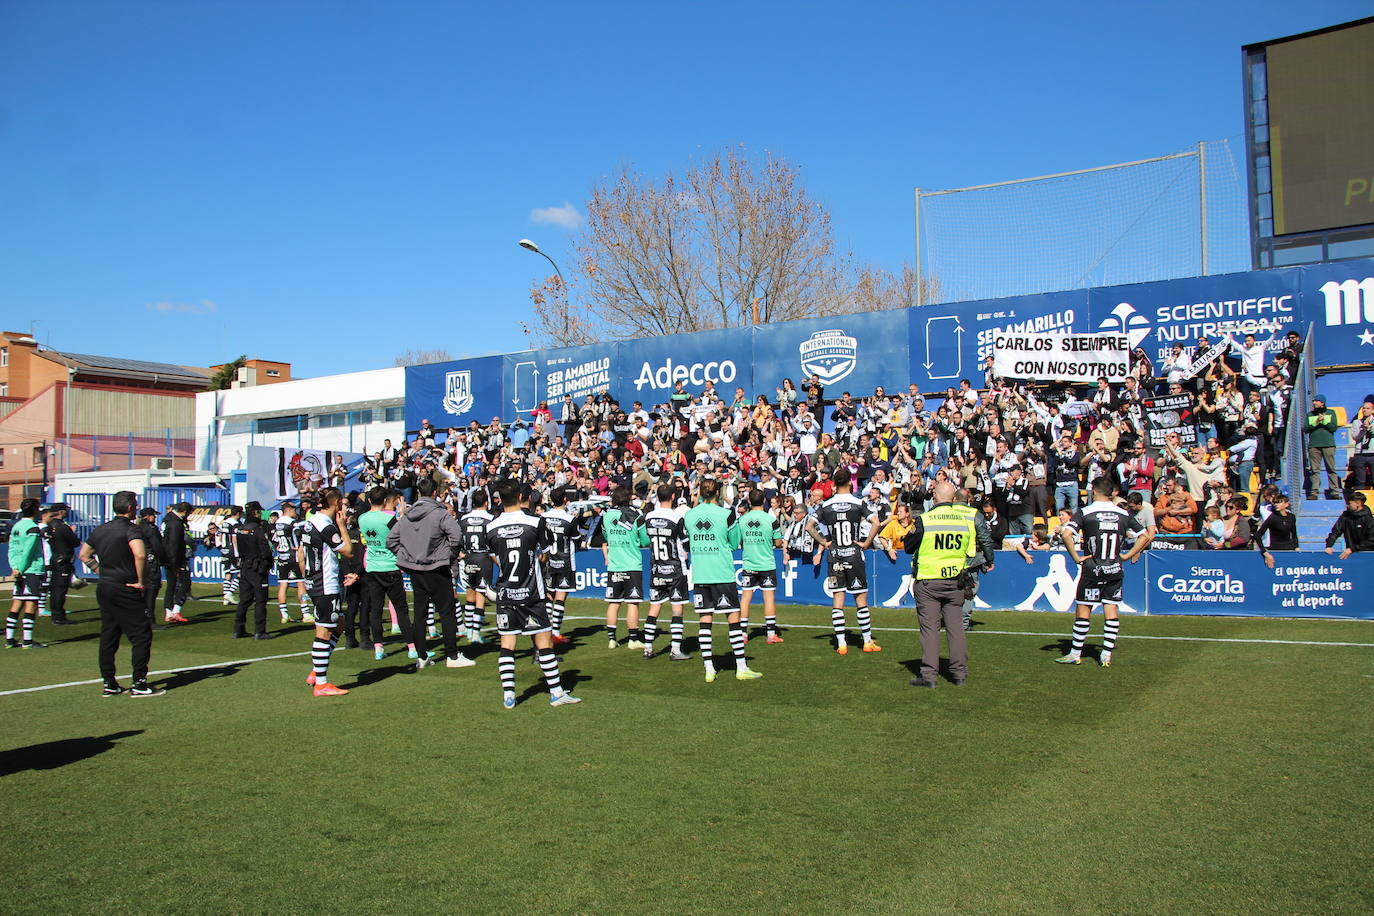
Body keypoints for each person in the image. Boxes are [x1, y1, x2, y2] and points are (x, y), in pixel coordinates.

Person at [487, 479, 582, 708]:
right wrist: (534, 559)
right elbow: (546, 553)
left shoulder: (491, 526)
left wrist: (507, 567)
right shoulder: (535, 522)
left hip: (506, 592)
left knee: (507, 643)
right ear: (521, 497)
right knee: (544, 641)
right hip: (531, 592)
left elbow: (493, 555)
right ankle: (557, 693)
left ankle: (509, 695)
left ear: (499, 498)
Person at [1055, 477, 1152, 667]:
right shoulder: (1123, 513)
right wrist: (1128, 554)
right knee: (1111, 607)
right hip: (1115, 567)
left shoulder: (1086, 511)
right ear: (1112, 493)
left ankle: (1075, 653)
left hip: (1093, 567)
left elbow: (1066, 534)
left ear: (1094, 491)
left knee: (1084, 608)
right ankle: (1106, 654)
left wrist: (1075, 557)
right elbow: (1146, 536)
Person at [79, 491, 163, 697]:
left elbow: (84, 554)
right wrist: (140, 580)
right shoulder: (132, 530)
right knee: (141, 635)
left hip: (106, 586)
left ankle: (109, 682)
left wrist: (101, 571)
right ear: (130, 508)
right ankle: (140, 683)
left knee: (109, 634)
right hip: (126, 587)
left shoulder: (101, 529)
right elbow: (140, 553)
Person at [387, 476, 474, 670]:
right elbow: (457, 536)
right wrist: (447, 555)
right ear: (434, 493)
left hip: (417, 570)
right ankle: (452, 655)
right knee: (446, 611)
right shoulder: (439, 513)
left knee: (420, 613)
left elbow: (391, 540)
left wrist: (407, 557)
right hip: (436, 568)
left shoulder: (408, 515)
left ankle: (422, 656)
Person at [683, 478, 761, 682]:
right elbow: (735, 543)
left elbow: (686, 542)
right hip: (722, 573)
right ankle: (741, 667)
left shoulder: (690, 515)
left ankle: (709, 668)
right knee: (733, 620)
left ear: (700, 493)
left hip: (700, 573)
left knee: (704, 621)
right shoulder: (727, 514)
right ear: (717, 493)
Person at [901, 481, 977, 688]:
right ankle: (959, 673)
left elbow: (908, 546)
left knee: (930, 629)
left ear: (934, 498)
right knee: (956, 628)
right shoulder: (964, 521)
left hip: (929, 581)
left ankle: (929, 676)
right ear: (953, 499)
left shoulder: (925, 519)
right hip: (955, 581)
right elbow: (969, 551)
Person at [806, 468, 882, 655]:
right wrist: (865, 543)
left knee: (837, 599)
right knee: (860, 599)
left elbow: (809, 526)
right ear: (850, 483)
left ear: (833, 484)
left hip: (834, 557)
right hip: (855, 556)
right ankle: (866, 642)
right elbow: (876, 523)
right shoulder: (858, 503)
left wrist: (824, 542)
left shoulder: (826, 505)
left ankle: (841, 644)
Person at [299, 487, 355, 695]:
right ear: (337, 503)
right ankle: (321, 683)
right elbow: (348, 551)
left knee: (339, 624)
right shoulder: (326, 526)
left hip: (315, 581)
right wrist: (342, 526)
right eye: (344, 503)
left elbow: (301, 555)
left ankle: (316, 670)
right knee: (323, 632)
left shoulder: (309, 522)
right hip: (325, 584)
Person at [359, 487, 418, 660]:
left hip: (373, 567)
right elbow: (403, 535)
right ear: (385, 501)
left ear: (370, 501)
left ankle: (378, 648)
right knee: (401, 609)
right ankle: (412, 647)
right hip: (390, 566)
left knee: (376, 610)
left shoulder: (362, 518)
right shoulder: (389, 518)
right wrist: (402, 514)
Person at [638, 483, 691, 660]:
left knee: (654, 607)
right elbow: (686, 544)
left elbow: (645, 540)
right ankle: (675, 649)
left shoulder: (649, 517)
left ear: (658, 498)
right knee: (677, 609)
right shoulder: (677, 518)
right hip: (675, 569)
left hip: (656, 568)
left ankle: (647, 648)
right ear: (673, 497)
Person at [599, 486, 644, 649]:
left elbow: (605, 536)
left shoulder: (607, 516)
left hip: (614, 565)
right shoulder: (636, 515)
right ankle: (633, 639)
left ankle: (612, 639)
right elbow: (645, 540)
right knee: (632, 603)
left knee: (614, 602)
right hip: (632, 565)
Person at [737, 488, 783, 643]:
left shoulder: (742, 519)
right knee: (768, 598)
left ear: (749, 501)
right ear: (764, 501)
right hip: (766, 563)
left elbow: (738, 540)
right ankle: (771, 634)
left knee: (745, 598)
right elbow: (778, 542)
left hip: (749, 563)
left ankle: (743, 633)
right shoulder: (770, 519)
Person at [540, 487, 580, 644]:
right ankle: (555, 631)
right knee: (561, 598)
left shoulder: (543, 517)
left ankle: (547, 629)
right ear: (564, 500)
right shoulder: (570, 519)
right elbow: (576, 539)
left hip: (549, 561)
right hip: (565, 562)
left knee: (549, 596)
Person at [5, 498, 46, 648]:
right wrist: (21, 568)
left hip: (18, 569)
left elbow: (12, 549)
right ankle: (27, 640)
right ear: (35, 510)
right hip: (31, 570)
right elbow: (28, 552)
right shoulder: (32, 528)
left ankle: (9, 640)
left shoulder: (16, 526)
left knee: (17, 602)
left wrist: (14, 567)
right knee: (31, 602)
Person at [233, 502, 275, 639]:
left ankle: (238, 629)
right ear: (255, 513)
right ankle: (260, 631)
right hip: (257, 568)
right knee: (261, 600)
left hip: (245, 566)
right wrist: (267, 563)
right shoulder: (257, 529)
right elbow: (265, 549)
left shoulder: (241, 528)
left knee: (244, 600)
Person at [458, 491, 495, 644]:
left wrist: (462, 555)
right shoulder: (490, 519)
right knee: (481, 595)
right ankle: (475, 633)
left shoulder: (463, 519)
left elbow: (457, 540)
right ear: (486, 502)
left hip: (469, 557)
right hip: (484, 558)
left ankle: (468, 630)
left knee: (470, 594)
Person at [271, 502, 309, 623]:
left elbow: (274, 540)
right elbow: (299, 535)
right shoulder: (292, 523)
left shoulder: (277, 523)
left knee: (283, 585)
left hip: (282, 556)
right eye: (293, 509)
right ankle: (306, 613)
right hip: (294, 556)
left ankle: (284, 614)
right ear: (288, 510)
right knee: (301, 583)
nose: (295, 511)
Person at [44, 504, 80, 626]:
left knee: (54, 588)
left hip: (54, 558)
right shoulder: (62, 527)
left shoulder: (49, 526)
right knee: (60, 589)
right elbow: (75, 542)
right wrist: (72, 532)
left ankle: (56, 614)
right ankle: (58, 616)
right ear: (60, 512)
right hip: (63, 559)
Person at [160, 502, 192, 624]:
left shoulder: (167, 519)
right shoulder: (176, 523)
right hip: (175, 559)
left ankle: (168, 612)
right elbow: (174, 544)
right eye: (188, 513)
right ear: (184, 511)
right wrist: (176, 563)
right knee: (185, 583)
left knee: (171, 585)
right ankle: (176, 610)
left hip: (167, 558)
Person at [1303, 394, 1341, 500]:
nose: (1314, 403)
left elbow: (1333, 428)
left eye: (1316, 401)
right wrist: (1316, 422)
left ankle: (1334, 491)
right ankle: (1314, 492)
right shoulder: (1310, 414)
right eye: (1314, 401)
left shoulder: (1331, 413)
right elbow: (1306, 428)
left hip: (1328, 444)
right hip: (1314, 445)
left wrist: (1324, 421)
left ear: (1322, 402)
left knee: (1331, 469)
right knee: (1315, 470)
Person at [135, 507, 166, 632]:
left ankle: (141, 620)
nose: (155, 517)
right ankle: (150, 621)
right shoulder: (150, 529)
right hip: (151, 562)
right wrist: (165, 560)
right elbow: (157, 546)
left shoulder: (137, 528)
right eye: (153, 515)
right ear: (147, 516)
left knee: (143, 593)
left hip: (141, 562)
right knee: (151, 592)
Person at [1324, 491, 1374, 558]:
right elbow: (1335, 532)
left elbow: (1371, 540)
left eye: (1349, 503)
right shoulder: (1345, 516)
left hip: (1369, 555)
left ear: (1358, 503)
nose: (1346, 506)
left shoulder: (1369, 519)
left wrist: (1353, 549)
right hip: (1351, 555)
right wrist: (1329, 546)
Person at [1256, 493, 1298, 568]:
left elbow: (1294, 534)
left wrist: (1297, 547)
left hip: (1289, 550)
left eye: (1279, 502)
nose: (1276, 504)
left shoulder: (1291, 517)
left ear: (1286, 504)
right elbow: (1258, 536)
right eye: (1275, 502)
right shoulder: (1272, 518)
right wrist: (1265, 552)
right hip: (1275, 550)